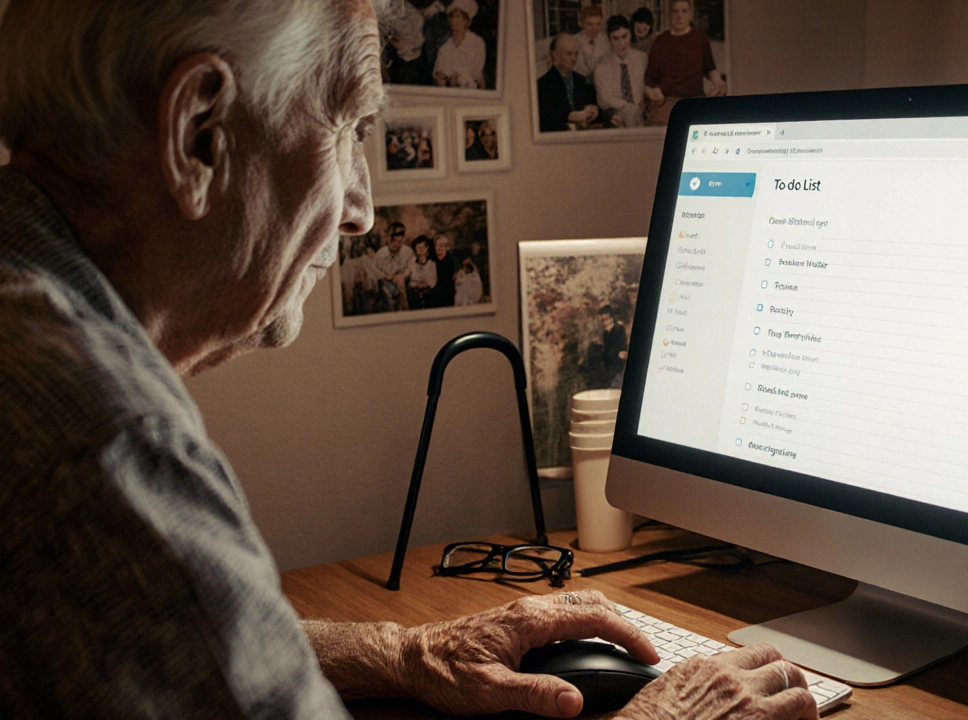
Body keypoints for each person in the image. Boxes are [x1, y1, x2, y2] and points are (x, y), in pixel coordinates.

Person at [0, 1, 817, 718]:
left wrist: (401, 652)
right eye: (350, 128)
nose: (359, 210)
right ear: (198, 133)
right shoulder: (102, 448)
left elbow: (160, 647)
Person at [643, 0, 726, 126]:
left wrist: (720, 84)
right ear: (669, 14)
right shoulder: (660, 41)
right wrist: (653, 93)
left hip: (695, 100)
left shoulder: (700, 38)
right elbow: (649, 80)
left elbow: (710, 69)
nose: (679, 15)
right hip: (668, 101)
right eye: (675, 11)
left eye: (684, 11)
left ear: (690, 14)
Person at [537, 33, 599, 132]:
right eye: (569, 54)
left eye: (576, 54)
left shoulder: (582, 81)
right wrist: (569, 117)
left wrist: (593, 112)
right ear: (555, 54)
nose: (574, 59)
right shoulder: (542, 85)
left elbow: (592, 105)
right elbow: (544, 121)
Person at [595, 14, 648, 128]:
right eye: (616, 38)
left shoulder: (643, 59)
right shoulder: (601, 67)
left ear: (630, 34)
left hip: (645, 114)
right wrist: (632, 108)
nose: (621, 43)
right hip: (618, 116)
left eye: (625, 36)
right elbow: (605, 99)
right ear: (609, 39)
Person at [433, 0, 486, 89]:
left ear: (467, 21)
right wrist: (441, 79)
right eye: (452, 17)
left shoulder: (477, 43)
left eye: (458, 17)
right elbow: (438, 73)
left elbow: (476, 73)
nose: (454, 20)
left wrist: (459, 79)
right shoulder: (444, 48)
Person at [374, 221, 414, 311]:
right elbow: (375, 271)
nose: (395, 244)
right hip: (386, 283)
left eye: (399, 241)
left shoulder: (408, 252)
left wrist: (401, 277)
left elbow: (411, 268)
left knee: (401, 285)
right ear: (388, 238)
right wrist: (386, 277)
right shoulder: (380, 253)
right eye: (393, 241)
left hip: (403, 283)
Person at [572, 3, 610, 83]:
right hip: (579, 84)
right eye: (590, 24)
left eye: (598, 24)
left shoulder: (607, 42)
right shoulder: (573, 41)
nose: (594, 28)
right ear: (581, 23)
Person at [600, 304, 629, 387]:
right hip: (610, 365)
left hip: (618, 364)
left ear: (611, 318)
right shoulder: (605, 333)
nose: (604, 322)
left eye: (606, 319)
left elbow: (622, 347)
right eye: (602, 320)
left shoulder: (619, 329)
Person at [425, 232, 457, 307]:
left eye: (442, 246)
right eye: (437, 245)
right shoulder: (431, 260)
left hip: (447, 294)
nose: (439, 248)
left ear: (447, 247)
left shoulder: (451, 261)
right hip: (433, 292)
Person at [406, 235, 438, 309]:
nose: (420, 250)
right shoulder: (412, 262)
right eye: (418, 248)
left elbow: (433, 280)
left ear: (427, 248)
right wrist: (416, 285)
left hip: (429, 289)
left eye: (422, 248)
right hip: (415, 289)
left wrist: (426, 285)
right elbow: (409, 277)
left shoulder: (432, 263)